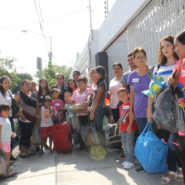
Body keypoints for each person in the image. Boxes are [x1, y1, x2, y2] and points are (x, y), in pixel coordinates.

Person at [145, 35, 182, 184]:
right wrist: (149, 109)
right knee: (167, 140)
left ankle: (179, 169)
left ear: (174, 46)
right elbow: (152, 90)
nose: (165, 49)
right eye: (162, 47)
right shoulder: (158, 67)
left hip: (179, 109)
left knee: (177, 140)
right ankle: (172, 170)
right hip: (161, 111)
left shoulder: (181, 64)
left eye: (168, 45)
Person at [128, 47, 151, 173]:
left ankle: (154, 161)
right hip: (138, 111)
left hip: (151, 111)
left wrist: (150, 108)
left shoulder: (152, 71)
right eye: (137, 57)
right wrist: (131, 112)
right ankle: (145, 163)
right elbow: (131, 95)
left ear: (146, 58)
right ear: (134, 60)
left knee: (154, 137)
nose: (140, 59)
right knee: (143, 138)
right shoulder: (132, 75)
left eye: (142, 56)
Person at [167, 31, 185, 184]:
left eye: (177, 46)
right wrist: (172, 83)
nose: (175, 50)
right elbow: (174, 86)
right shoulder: (179, 64)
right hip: (180, 115)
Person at [14, 79, 37, 158]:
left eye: (29, 84)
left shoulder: (32, 94)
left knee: (29, 135)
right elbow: (14, 105)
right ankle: (22, 151)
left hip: (32, 118)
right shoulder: (19, 94)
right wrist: (20, 114)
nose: (28, 86)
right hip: (23, 117)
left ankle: (27, 150)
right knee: (23, 134)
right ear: (22, 86)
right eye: (26, 84)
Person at [72, 75, 94, 150]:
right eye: (79, 83)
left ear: (85, 83)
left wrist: (86, 101)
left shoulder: (89, 90)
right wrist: (77, 109)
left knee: (87, 131)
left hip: (86, 114)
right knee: (79, 130)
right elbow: (73, 102)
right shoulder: (75, 92)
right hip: (78, 115)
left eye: (82, 83)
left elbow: (89, 98)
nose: (80, 84)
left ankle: (89, 146)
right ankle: (82, 145)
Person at [117, 88, 137, 170]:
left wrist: (129, 127)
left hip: (130, 128)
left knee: (129, 145)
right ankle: (127, 160)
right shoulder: (121, 106)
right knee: (124, 145)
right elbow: (121, 118)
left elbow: (132, 117)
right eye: (120, 96)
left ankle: (130, 161)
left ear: (128, 95)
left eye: (124, 95)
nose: (122, 97)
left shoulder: (131, 104)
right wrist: (119, 129)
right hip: (123, 128)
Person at [0, 76, 19, 160]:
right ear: (1, 84)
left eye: (8, 82)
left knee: (11, 136)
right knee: (3, 138)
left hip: (9, 117)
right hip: (1, 119)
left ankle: (9, 154)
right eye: (5, 83)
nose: (7, 84)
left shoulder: (9, 92)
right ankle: (3, 158)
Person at [0, 104, 17, 177]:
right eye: (6, 111)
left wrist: (11, 133)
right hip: (3, 142)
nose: (8, 112)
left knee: (7, 155)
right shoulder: (0, 120)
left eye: (8, 111)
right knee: (6, 156)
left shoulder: (6, 119)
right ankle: (7, 171)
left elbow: (7, 129)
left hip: (7, 141)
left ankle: (6, 170)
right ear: (0, 112)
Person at [90, 66, 107, 137]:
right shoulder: (98, 83)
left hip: (98, 108)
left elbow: (97, 99)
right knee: (97, 128)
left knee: (99, 129)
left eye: (96, 73)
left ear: (100, 74)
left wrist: (92, 112)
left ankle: (103, 146)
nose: (94, 74)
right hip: (96, 108)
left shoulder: (101, 83)